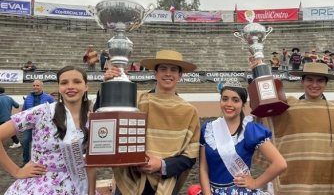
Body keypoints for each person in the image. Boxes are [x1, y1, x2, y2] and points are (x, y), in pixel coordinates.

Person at [104, 50, 200, 195]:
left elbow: (190, 156)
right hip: (129, 178)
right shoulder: (135, 99)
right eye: (163, 69)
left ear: (180, 75)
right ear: (155, 72)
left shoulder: (189, 111)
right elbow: (106, 116)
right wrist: (110, 86)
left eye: (173, 70)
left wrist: (162, 165)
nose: (168, 74)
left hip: (165, 184)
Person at [252, 61, 334, 194]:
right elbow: (263, 116)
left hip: (326, 183)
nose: (314, 85)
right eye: (310, 80)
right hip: (291, 183)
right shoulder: (286, 109)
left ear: (326, 83)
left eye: (320, 81)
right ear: (302, 81)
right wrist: (258, 69)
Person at [0, 66, 96, 194]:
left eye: (77, 81)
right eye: (64, 83)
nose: (70, 86)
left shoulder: (93, 121)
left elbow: (91, 164)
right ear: (59, 87)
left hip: (79, 186)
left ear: (86, 86)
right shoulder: (41, 112)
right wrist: (17, 171)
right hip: (40, 186)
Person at [199, 81, 287, 194]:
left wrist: (256, 183)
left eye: (235, 100)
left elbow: (280, 163)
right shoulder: (208, 129)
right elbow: (203, 168)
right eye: (225, 99)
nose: (229, 104)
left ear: (243, 104)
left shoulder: (250, 129)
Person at [21, 79, 55, 165]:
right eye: (34, 85)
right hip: (29, 124)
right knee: (25, 141)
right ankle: (26, 161)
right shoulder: (28, 98)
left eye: (37, 85)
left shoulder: (49, 98)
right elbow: (23, 111)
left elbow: (55, 110)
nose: (35, 87)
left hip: (43, 125)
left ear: (41, 86)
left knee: (43, 143)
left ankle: (43, 161)